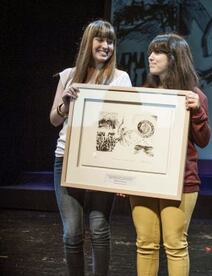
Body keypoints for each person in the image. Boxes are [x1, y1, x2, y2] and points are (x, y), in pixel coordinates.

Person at [49, 20, 132, 276]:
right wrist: (65, 103)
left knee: (98, 228)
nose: (106, 46)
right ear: (89, 41)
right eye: (100, 39)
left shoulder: (121, 78)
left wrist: (122, 175)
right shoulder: (69, 75)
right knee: (72, 232)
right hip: (67, 158)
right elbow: (54, 119)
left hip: (102, 163)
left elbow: (125, 126)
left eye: (110, 41)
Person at [129, 33, 211, 276]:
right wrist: (124, 174)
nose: (150, 57)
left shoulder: (194, 96)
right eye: (150, 51)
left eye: (158, 52)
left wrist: (197, 111)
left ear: (174, 58)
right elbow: (132, 137)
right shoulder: (144, 93)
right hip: (144, 180)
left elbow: (204, 140)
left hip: (180, 181)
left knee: (175, 245)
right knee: (145, 244)